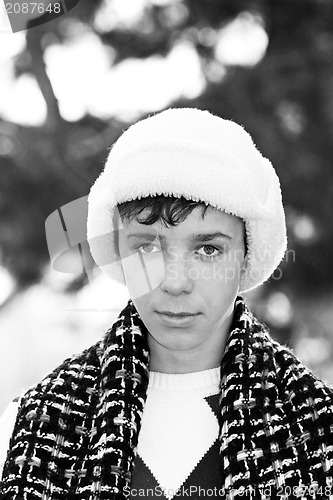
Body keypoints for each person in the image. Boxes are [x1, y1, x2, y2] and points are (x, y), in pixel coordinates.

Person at [1, 107, 333, 499]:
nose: (175, 282)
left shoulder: (317, 428)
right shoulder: (33, 423)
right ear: (117, 251)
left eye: (208, 249)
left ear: (247, 255)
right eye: (147, 248)